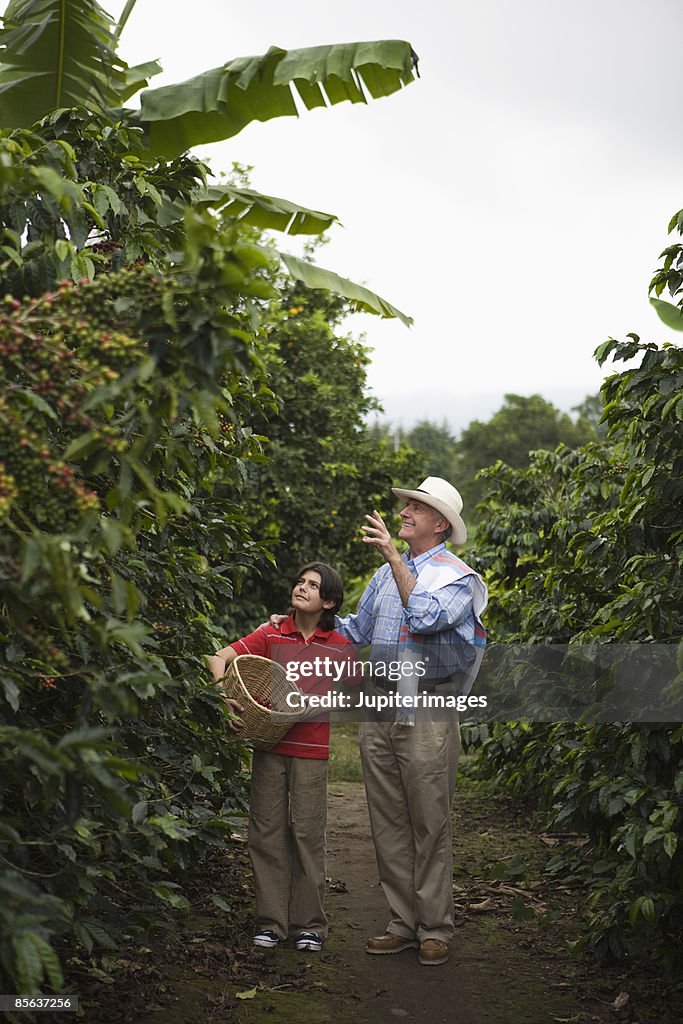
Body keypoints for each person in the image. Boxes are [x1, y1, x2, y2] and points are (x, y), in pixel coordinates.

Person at [338, 476, 487, 967]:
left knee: (429, 822)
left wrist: (396, 561)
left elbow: (423, 618)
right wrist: (305, 618)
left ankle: (435, 927)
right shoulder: (384, 575)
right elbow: (356, 630)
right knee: (388, 822)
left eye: (415, 508)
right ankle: (403, 922)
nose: (403, 512)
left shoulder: (458, 578)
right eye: (405, 506)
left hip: (426, 711)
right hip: (379, 707)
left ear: (440, 523)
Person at [208, 562, 356, 954]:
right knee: (265, 831)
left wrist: (317, 705)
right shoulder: (271, 633)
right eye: (300, 581)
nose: (302, 588)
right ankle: (271, 922)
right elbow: (218, 657)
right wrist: (223, 698)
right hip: (269, 746)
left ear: (329, 601)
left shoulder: (339, 646)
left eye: (313, 585)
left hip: (311, 750)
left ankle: (310, 924)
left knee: (307, 833)